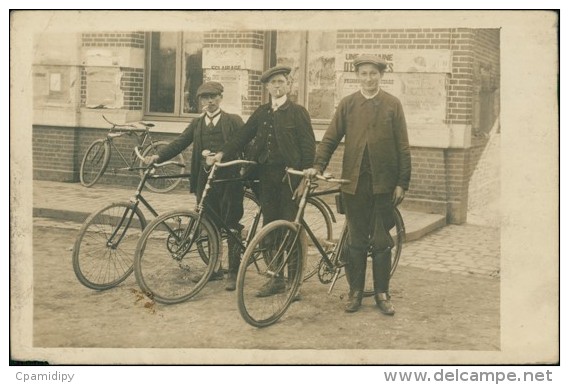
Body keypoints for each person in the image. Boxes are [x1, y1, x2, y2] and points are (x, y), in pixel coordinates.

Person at [306, 54, 411, 315]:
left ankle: (382, 293)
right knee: (355, 240)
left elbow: (403, 147)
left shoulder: (392, 105)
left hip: (383, 185)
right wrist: (318, 166)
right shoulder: (348, 104)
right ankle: (354, 293)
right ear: (357, 76)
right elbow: (330, 138)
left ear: (381, 75)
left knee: (381, 240)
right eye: (363, 74)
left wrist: (402, 182)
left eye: (373, 73)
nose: (368, 78)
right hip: (353, 184)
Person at [209, 65, 316, 298]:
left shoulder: (297, 112)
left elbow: (308, 146)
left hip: (291, 178)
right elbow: (242, 136)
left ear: (288, 85)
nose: (277, 86)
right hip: (266, 177)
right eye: (272, 83)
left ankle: (293, 282)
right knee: (270, 227)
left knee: (290, 228)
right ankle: (275, 278)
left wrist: (305, 179)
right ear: (267, 87)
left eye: (280, 82)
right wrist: (222, 154)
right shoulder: (262, 112)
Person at [144, 81, 245, 291]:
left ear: (220, 98)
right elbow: (179, 143)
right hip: (205, 181)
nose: (210, 101)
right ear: (200, 101)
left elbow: (245, 143)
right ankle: (214, 268)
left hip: (229, 180)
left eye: (214, 97)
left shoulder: (232, 121)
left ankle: (234, 272)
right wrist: (158, 156)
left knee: (232, 224)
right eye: (205, 98)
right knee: (209, 224)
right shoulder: (197, 124)